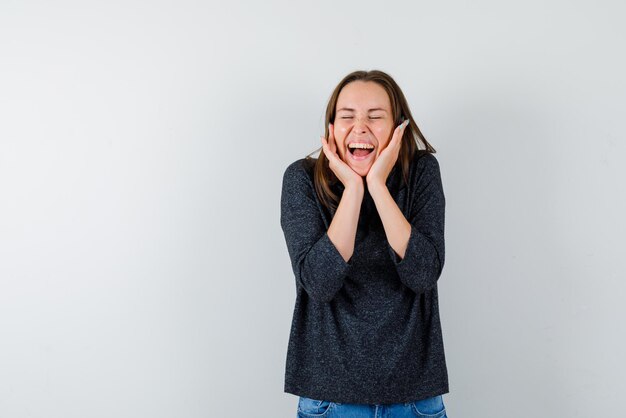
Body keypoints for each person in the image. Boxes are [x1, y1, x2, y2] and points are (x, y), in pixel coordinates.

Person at [280, 70, 449, 418]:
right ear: (331, 128)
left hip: (415, 399)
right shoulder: (301, 179)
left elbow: (422, 273)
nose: (360, 128)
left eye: (375, 117)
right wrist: (354, 191)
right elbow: (320, 283)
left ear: (398, 127)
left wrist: (377, 186)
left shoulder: (421, 173)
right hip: (328, 400)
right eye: (347, 117)